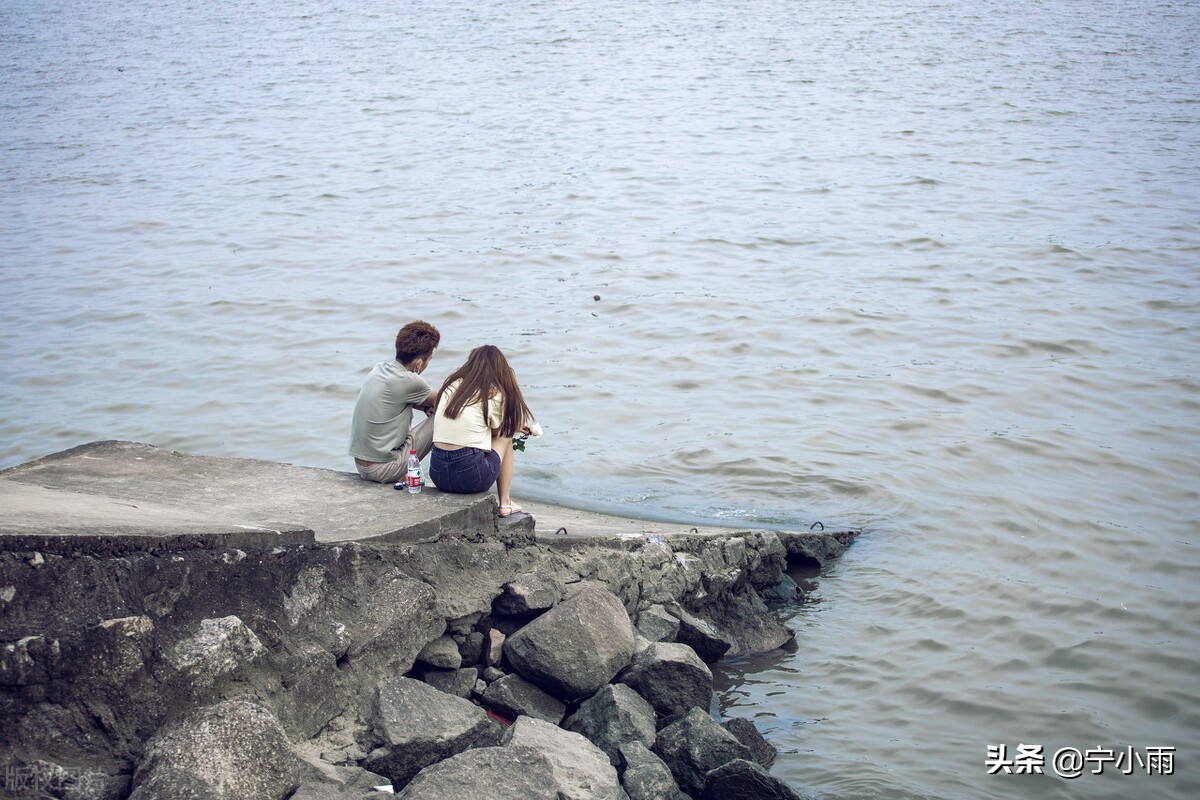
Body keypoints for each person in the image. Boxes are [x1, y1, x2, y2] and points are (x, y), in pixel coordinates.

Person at [430, 345, 533, 517]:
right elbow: (497, 433)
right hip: (470, 478)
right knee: (507, 434)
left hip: (438, 474)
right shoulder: (492, 392)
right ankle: (505, 503)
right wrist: (512, 426)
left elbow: (473, 425)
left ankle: (506, 503)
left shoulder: (452, 385)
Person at [348, 321, 441, 483]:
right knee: (444, 416)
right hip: (382, 469)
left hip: (362, 465)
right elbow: (446, 401)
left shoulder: (379, 369)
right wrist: (433, 407)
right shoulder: (409, 381)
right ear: (419, 363)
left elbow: (407, 398)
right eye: (429, 360)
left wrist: (428, 406)